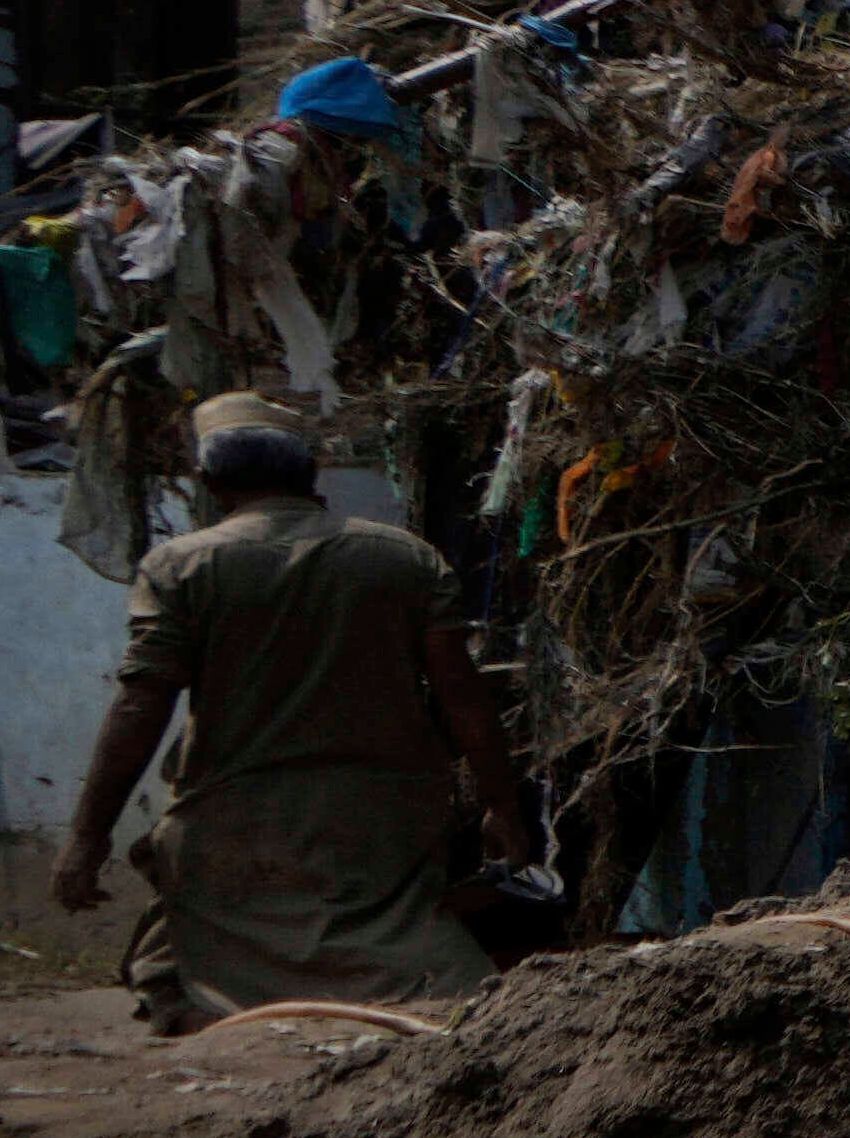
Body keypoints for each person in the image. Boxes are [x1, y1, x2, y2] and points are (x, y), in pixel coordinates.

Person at [55, 394, 536, 1025]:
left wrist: (87, 839)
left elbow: (140, 705)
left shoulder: (182, 566)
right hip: (381, 826)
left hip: (233, 825)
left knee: (184, 963)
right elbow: (463, 696)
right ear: (310, 473)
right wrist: (504, 806)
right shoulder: (404, 558)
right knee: (407, 954)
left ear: (208, 480)